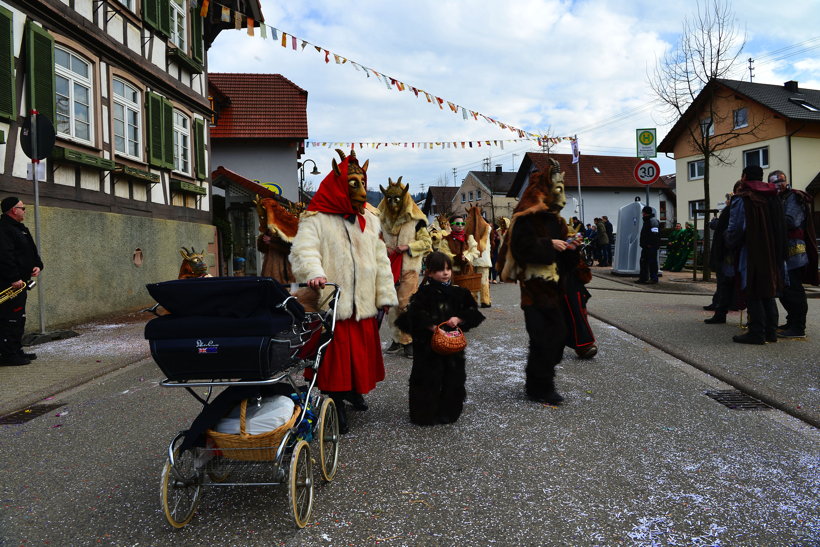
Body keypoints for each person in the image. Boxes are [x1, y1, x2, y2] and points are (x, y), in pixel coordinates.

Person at [289, 150, 398, 433]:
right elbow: (304, 250)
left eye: (363, 183)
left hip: (363, 300)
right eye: (354, 184)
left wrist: (385, 292)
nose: (362, 191)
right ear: (339, 185)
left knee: (360, 352)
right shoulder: (316, 218)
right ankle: (335, 399)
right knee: (335, 353)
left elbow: (380, 258)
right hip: (332, 301)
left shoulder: (370, 219)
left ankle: (353, 390)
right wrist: (314, 273)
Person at [497, 158, 578, 405]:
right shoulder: (525, 220)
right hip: (533, 290)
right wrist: (548, 244)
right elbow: (521, 249)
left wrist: (572, 249)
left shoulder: (558, 222)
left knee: (557, 338)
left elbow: (566, 260)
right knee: (541, 338)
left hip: (556, 289)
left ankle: (538, 382)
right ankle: (541, 387)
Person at [395, 252, 485, 425]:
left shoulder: (460, 293)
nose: (445, 273)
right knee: (427, 378)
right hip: (428, 346)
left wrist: (459, 319)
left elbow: (474, 313)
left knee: (452, 377)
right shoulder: (423, 293)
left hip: (452, 346)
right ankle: (424, 413)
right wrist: (432, 327)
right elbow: (410, 318)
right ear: (429, 272)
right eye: (439, 270)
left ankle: (448, 411)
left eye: (448, 269)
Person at [724, 165, 786, 345]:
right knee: (768, 289)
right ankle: (771, 332)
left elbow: (736, 228)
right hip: (773, 250)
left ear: (744, 177)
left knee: (753, 288)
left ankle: (756, 332)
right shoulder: (773, 196)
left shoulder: (742, 198)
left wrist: (728, 240)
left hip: (750, 250)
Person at [378, 177, 433, 358]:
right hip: (387, 269)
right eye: (390, 199)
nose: (394, 203)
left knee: (406, 305)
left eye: (397, 199)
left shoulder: (417, 221)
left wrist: (408, 247)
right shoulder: (381, 220)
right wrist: (381, 248)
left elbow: (426, 243)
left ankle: (409, 341)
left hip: (408, 268)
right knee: (391, 307)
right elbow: (374, 240)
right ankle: (396, 339)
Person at [770, 170, 818, 339]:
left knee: (794, 290)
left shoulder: (794, 198)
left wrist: (768, 219)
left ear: (786, 182)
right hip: (783, 250)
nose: (778, 185)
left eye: (780, 182)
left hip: (795, 251)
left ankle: (798, 327)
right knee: (784, 289)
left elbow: (791, 221)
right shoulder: (778, 198)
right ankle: (791, 321)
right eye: (775, 183)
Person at [0, 197, 43, 366]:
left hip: (21, 282)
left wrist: (38, 265)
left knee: (19, 318)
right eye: (22, 208)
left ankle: (16, 349)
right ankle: (7, 354)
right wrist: (13, 278)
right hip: (10, 283)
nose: (24, 210)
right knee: (9, 319)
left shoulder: (21, 229)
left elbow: (31, 251)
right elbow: (5, 256)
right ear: (13, 210)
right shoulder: (4, 229)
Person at [704, 186, 742, 324]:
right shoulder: (732, 208)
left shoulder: (736, 208)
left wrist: (715, 223)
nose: (728, 200)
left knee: (726, 281)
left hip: (729, 250)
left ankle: (723, 307)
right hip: (726, 249)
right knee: (724, 282)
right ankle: (720, 308)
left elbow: (728, 227)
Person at [636, 206, 661, 284]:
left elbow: (655, 234)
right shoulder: (647, 221)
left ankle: (653, 278)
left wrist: (651, 244)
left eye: (643, 212)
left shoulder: (653, 221)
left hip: (651, 246)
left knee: (652, 263)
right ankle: (643, 278)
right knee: (643, 262)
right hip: (646, 246)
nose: (642, 214)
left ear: (645, 213)